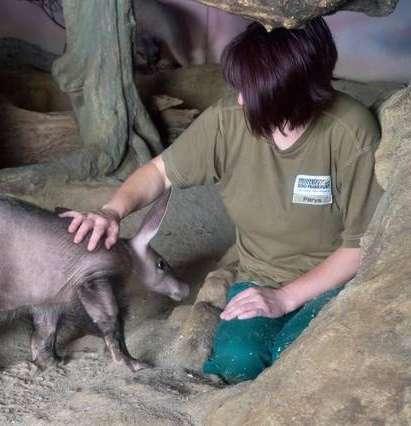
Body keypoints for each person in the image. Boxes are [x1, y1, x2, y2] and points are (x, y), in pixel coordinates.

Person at [59, 18, 383, 384]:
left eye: (254, 89)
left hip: (336, 284)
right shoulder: (230, 119)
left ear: (294, 91)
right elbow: (160, 172)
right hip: (262, 275)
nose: (242, 98)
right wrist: (112, 210)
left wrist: (286, 299)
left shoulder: (351, 132)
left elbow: (362, 247)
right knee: (238, 361)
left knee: (303, 360)